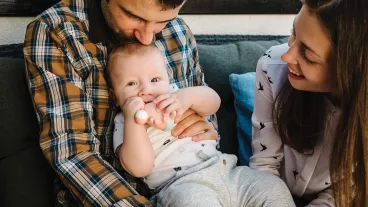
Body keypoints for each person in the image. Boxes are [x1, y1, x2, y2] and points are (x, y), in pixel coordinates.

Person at [23, 0, 219, 206]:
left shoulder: (177, 31)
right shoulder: (57, 32)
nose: (147, 38)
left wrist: (205, 126)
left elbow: (208, 122)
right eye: (135, 17)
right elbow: (73, 154)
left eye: (163, 22)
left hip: (211, 176)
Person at [108, 43, 296, 207]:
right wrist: (135, 122)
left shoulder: (175, 95)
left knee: (271, 186)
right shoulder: (124, 123)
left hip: (226, 170)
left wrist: (185, 98)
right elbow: (140, 168)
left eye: (155, 80)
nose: (146, 90)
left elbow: (213, 102)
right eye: (132, 83)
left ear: (167, 79)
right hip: (182, 186)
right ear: (116, 96)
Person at [249, 0, 368, 206]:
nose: (287, 56)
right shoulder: (271, 66)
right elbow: (264, 163)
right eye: (293, 32)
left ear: (350, 70)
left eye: (308, 56)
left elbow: (349, 189)